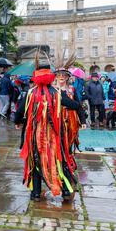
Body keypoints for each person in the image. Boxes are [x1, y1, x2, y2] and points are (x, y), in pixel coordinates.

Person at [15, 60, 81, 202]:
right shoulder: (57, 93)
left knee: (36, 161)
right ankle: (65, 191)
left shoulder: (30, 93)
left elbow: (19, 112)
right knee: (58, 160)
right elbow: (75, 105)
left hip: (35, 137)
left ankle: (36, 193)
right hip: (54, 136)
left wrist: (17, 122)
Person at [54, 56, 86, 198]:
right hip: (56, 123)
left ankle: (67, 173)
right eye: (59, 75)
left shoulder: (72, 90)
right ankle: (57, 173)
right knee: (57, 149)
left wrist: (83, 120)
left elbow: (78, 105)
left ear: (67, 77)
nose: (61, 77)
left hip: (71, 123)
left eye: (64, 75)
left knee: (68, 148)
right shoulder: (52, 90)